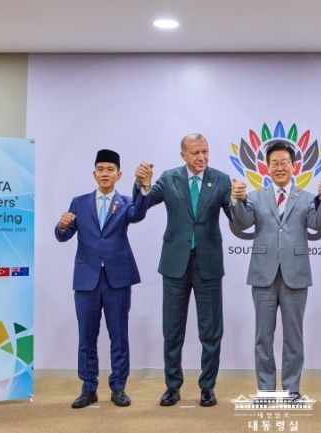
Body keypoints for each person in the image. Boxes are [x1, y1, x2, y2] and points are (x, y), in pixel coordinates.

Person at [230, 140, 321, 399]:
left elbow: (317, 225)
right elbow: (242, 223)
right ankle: (265, 390)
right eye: (274, 163)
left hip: (295, 276)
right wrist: (237, 200)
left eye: (284, 163)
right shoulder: (254, 196)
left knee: (294, 337)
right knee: (263, 337)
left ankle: (291, 389)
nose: (279, 167)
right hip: (262, 275)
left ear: (294, 166)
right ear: (267, 167)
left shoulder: (307, 198)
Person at [134, 133, 232, 407]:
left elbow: (237, 218)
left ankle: (207, 387)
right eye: (195, 153)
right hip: (174, 264)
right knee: (172, 330)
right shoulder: (168, 179)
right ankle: (172, 386)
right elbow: (140, 210)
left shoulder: (221, 180)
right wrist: (142, 185)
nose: (201, 157)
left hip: (208, 264)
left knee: (211, 331)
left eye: (205, 151)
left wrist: (238, 201)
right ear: (183, 155)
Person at [55, 149, 152, 408]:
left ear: (119, 175)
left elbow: (139, 214)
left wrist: (144, 187)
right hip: (86, 279)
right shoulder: (79, 202)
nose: (105, 173)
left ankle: (118, 387)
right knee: (86, 337)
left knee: (119, 336)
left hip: (117, 279)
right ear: (94, 174)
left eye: (110, 169)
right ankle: (88, 388)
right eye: (101, 169)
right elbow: (64, 235)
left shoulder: (126, 203)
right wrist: (62, 225)